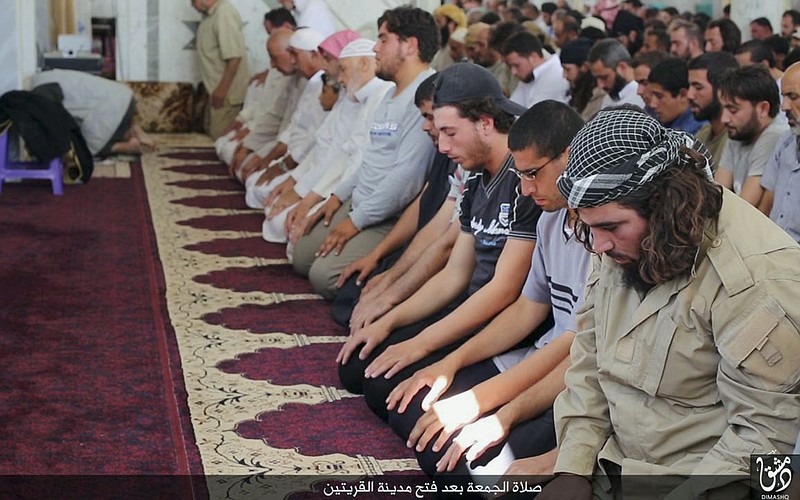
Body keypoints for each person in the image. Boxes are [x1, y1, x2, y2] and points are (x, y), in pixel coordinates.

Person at [539, 105, 800, 499]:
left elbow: (761, 441)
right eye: (590, 228)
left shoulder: (756, 279)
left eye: (610, 227)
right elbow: (590, 363)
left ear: (663, 205)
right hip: (613, 465)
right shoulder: (619, 239)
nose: (599, 246)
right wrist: (572, 468)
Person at [384, 101, 589, 483]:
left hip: (575, 380)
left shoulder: (606, 235)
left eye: (531, 175)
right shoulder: (551, 219)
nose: (525, 190)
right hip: (547, 360)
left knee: (463, 466)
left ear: (569, 156)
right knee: (409, 411)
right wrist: (451, 364)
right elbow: (527, 308)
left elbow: (576, 347)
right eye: (520, 176)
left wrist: (491, 406)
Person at [337, 63, 540, 422]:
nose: (442, 146)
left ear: (486, 123)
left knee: (392, 395)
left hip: (501, 322)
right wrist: (391, 319)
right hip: (469, 306)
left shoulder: (525, 179)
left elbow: (503, 291)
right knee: (359, 367)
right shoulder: (476, 173)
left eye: (450, 132)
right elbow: (455, 274)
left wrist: (422, 343)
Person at [291, 6, 439, 300]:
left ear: (410, 46)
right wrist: (337, 197)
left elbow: (406, 179)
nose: (375, 48)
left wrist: (356, 222)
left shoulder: (427, 95)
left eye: (383, 40)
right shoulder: (388, 94)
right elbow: (369, 157)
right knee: (302, 255)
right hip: (363, 201)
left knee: (323, 277)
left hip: (391, 215)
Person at [331, 74, 461, 329]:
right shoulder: (445, 150)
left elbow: (446, 244)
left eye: (429, 117)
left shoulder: (466, 155)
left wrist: (391, 287)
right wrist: (377, 257)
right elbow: (425, 204)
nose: (425, 127)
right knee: (352, 290)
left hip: (447, 267)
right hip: (425, 247)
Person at [256, 37, 394, 244]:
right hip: (331, 187)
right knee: (278, 217)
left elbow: (350, 162)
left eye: (343, 70)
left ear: (364, 64)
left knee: (291, 232)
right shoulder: (356, 96)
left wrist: (312, 198)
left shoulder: (380, 94)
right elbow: (328, 150)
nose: (339, 79)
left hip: (351, 195)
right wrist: (301, 191)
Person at [240, 28, 330, 199]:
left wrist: (282, 166)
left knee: (260, 188)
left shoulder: (327, 86)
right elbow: (293, 126)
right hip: (293, 157)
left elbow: (314, 139)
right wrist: (272, 162)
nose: (293, 61)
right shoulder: (311, 82)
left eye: (296, 55)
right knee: (256, 183)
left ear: (314, 54)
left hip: (308, 162)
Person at [30, 69, 153, 156]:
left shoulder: (40, 91)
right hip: (125, 96)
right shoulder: (50, 75)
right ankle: (133, 129)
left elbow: (55, 119)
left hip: (111, 111)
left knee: (84, 152)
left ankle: (128, 147)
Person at [716, 65, 788, 207]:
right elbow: (716, 193)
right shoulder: (739, 132)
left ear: (763, 108)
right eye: (723, 108)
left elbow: (745, 207)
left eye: (733, 110)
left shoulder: (775, 135)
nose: (724, 118)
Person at [192, 0, 250, 139]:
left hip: (226, 95)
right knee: (210, 137)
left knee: (221, 141)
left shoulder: (224, 12)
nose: (192, 4)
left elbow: (234, 57)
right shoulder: (210, 16)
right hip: (216, 93)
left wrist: (221, 91)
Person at [760, 61, 800, 241]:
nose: (784, 107)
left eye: (793, 96)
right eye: (784, 96)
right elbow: (767, 201)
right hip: (775, 251)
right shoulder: (785, 142)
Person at [687, 51, 739, 167]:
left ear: (722, 90)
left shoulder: (735, 138)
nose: (690, 95)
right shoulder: (702, 134)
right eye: (690, 86)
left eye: (698, 88)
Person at [502, 31, 570, 108]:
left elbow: (535, 116)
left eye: (516, 65)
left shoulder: (555, 74)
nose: (513, 72)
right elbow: (512, 107)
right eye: (510, 67)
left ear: (534, 57)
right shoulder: (528, 76)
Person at [646, 58, 706, 134]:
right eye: (652, 96)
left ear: (683, 95)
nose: (652, 104)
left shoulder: (698, 130)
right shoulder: (664, 124)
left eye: (659, 96)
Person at [587, 38, 645, 109]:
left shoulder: (641, 99)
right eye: (597, 78)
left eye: (604, 77)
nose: (600, 85)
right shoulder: (608, 98)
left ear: (622, 67)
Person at [560, 37, 605, 121]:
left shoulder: (599, 96)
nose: (564, 75)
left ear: (584, 67)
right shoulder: (578, 95)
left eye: (568, 69)